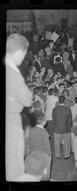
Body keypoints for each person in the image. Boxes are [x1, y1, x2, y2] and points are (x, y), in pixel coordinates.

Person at [6, 33, 33, 181]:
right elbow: (28, 100)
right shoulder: (13, 73)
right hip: (11, 122)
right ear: (19, 53)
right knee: (14, 164)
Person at [28, 113, 52, 180]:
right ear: (43, 121)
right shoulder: (44, 132)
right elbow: (47, 146)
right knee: (46, 173)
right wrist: (50, 156)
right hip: (44, 155)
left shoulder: (32, 130)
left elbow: (29, 143)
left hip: (34, 154)